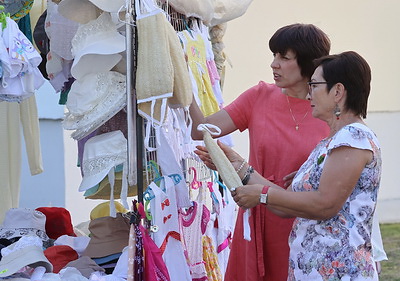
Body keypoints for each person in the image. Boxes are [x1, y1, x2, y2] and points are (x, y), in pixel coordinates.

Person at [201, 51, 380, 280]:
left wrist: (263, 195)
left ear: (337, 92)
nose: (309, 93)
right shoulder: (332, 142)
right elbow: (288, 204)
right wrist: (239, 166)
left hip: (339, 273)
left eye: (314, 85)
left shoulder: (353, 138)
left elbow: (324, 205)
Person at [190, 23, 331, 280]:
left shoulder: (329, 108)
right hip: (256, 218)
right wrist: (184, 87)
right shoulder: (259, 96)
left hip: (304, 225)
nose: (274, 64)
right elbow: (201, 131)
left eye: (284, 57)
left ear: (308, 63)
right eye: (274, 56)